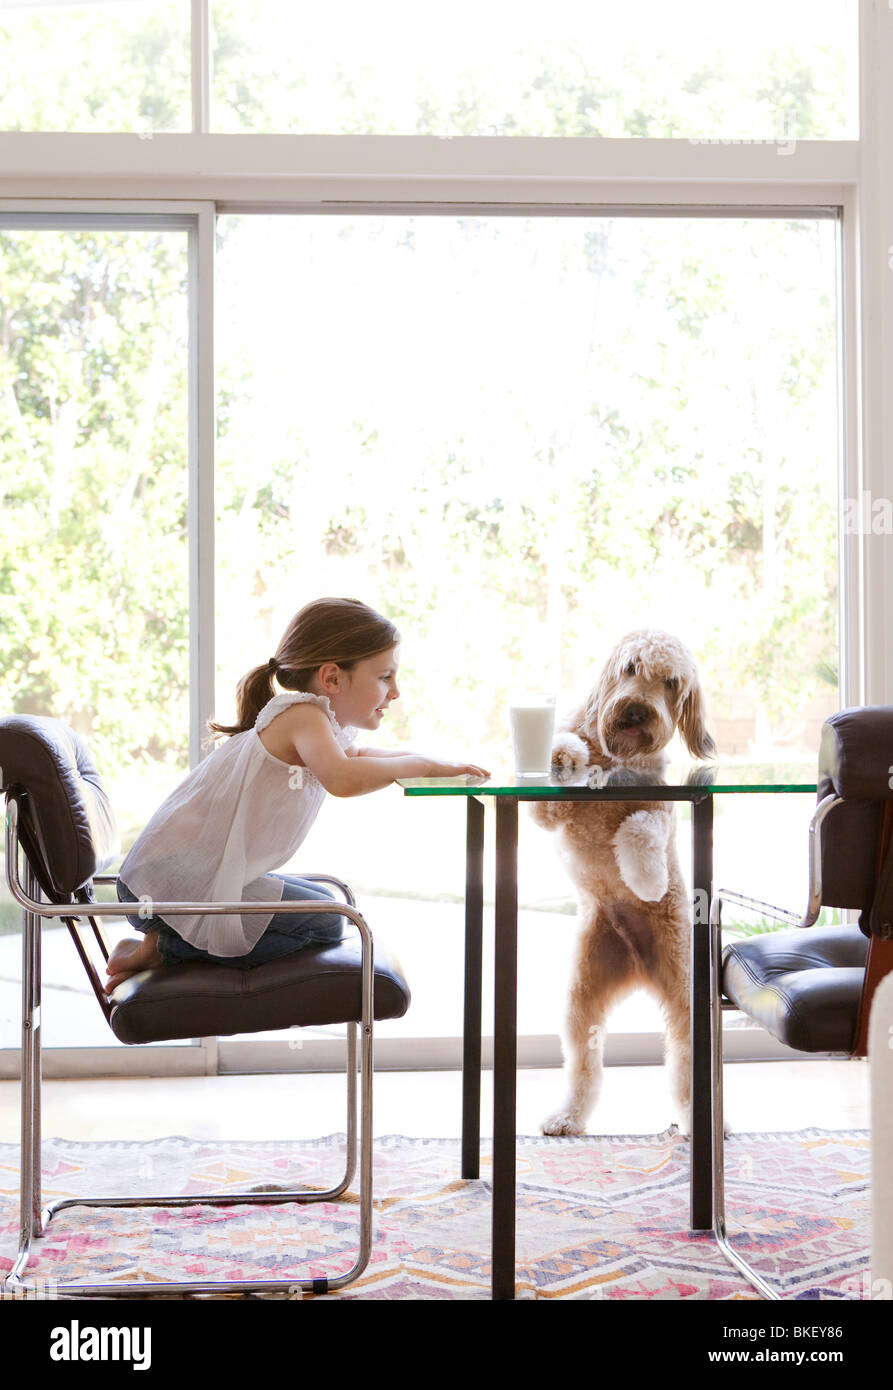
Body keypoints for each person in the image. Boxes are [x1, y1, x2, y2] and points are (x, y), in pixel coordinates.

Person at [105, 596, 489, 992]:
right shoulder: (302, 716)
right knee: (327, 920)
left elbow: (359, 756)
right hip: (168, 885)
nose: (395, 692)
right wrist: (421, 767)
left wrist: (431, 761)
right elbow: (343, 777)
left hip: (198, 879)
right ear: (333, 678)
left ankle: (166, 943)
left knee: (326, 904)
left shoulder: (317, 722)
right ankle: (163, 948)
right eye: (385, 677)